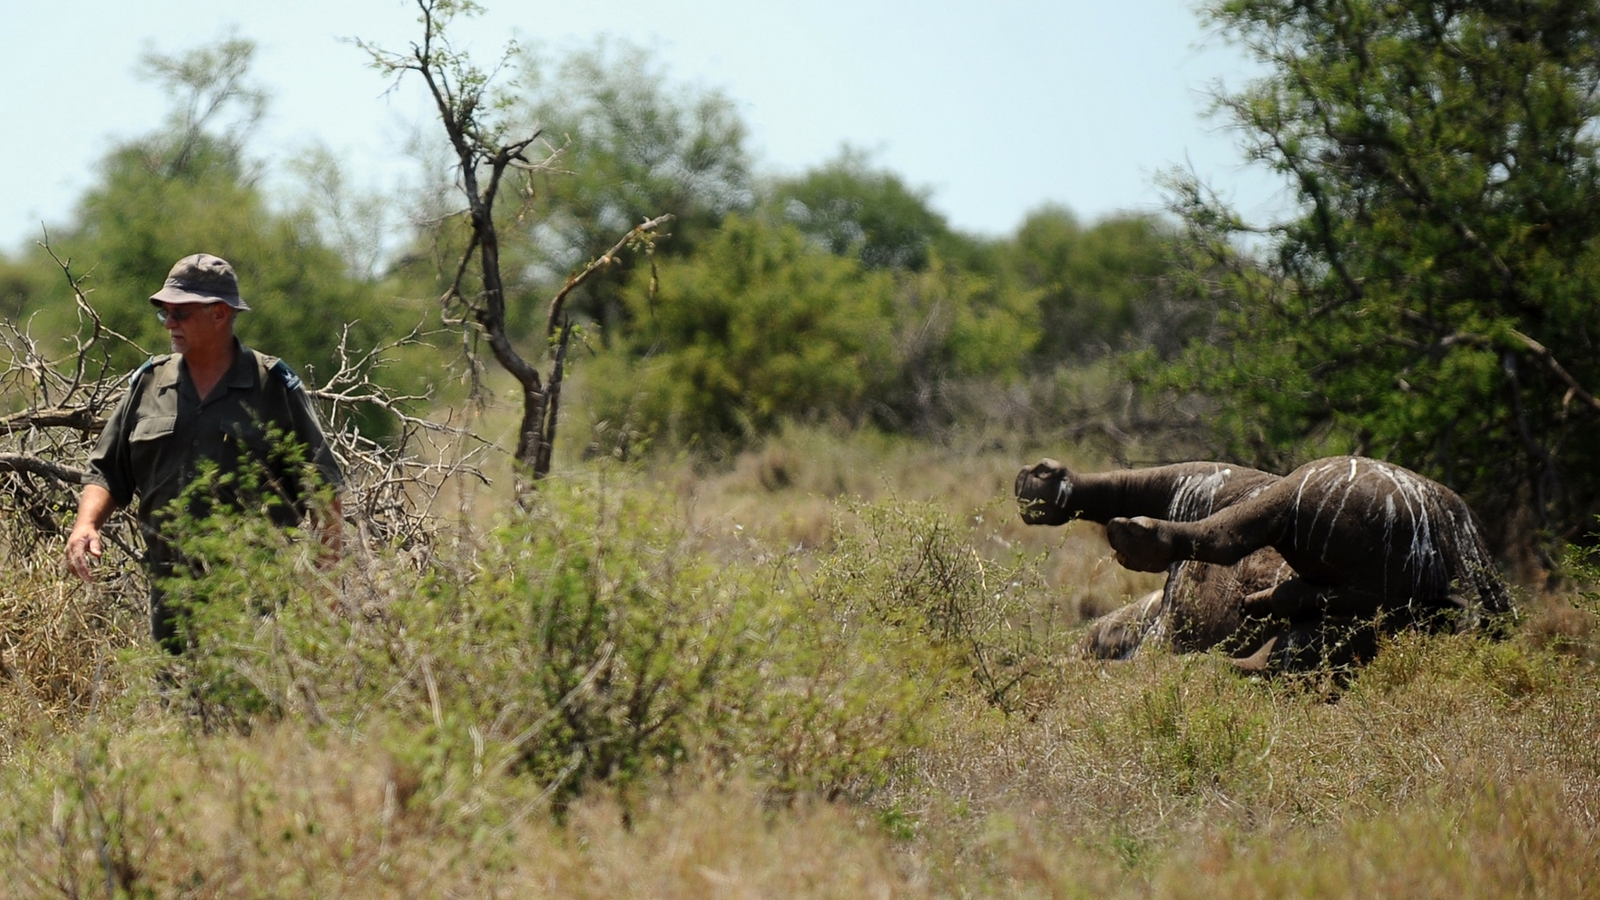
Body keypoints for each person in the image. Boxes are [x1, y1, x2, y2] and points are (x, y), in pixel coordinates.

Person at [65, 253, 345, 652]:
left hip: (255, 589)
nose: (170, 324)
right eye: (164, 313)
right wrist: (86, 524)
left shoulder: (272, 387)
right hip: (170, 588)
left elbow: (324, 493)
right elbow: (107, 470)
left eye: (181, 312)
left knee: (252, 705)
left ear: (220, 314)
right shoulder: (149, 384)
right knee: (178, 703)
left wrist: (325, 595)